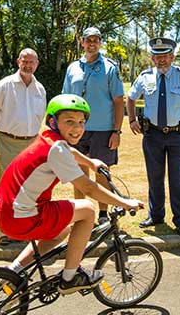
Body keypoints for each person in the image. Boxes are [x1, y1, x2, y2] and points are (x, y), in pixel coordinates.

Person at [0, 94, 143, 295]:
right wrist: (124, 202)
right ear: (53, 122)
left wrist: (91, 163)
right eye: (69, 122)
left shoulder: (48, 139)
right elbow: (88, 188)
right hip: (22, 217)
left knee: (63, 230)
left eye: (81, 122)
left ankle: (14, 271)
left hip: (6, 213)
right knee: (88, 210)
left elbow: (68, 151)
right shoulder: (57, 149)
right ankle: (69, 278)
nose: (78, 128)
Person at [126, 37, 180, 236]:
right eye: (157, 57)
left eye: (165, 56)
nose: (161, 60)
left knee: (178, 178)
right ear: (152, 58)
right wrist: (132, 120)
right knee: (154, 177)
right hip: (152, 135)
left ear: (172, 56)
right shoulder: (145, 76)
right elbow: (131, 97)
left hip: (178, 136)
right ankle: (155, 215)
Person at [62, 27, 125, 225]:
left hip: (103, 129)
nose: (92, 44)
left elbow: (118, 101)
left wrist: (116, 130)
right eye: (88, 40)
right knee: (79, 171)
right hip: (76, 129)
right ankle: (80, 211)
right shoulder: (73, 67)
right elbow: (65, 98)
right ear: (82, 42)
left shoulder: (110, 68)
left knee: (102, 172)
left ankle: (103, 213)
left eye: (96, 40)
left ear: (100, 43)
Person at [0, 48, 46, 244]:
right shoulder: (5, 85)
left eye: (32, 62)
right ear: (18, 62)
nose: (28, 65)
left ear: (37, 64)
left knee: (29, 187)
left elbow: (40, 116)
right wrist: (5, 132)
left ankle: (24, 228)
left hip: (32, 142)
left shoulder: (40, 89)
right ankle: (3, 231)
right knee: (7, 185)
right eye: (24, 61)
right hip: (8, 141)